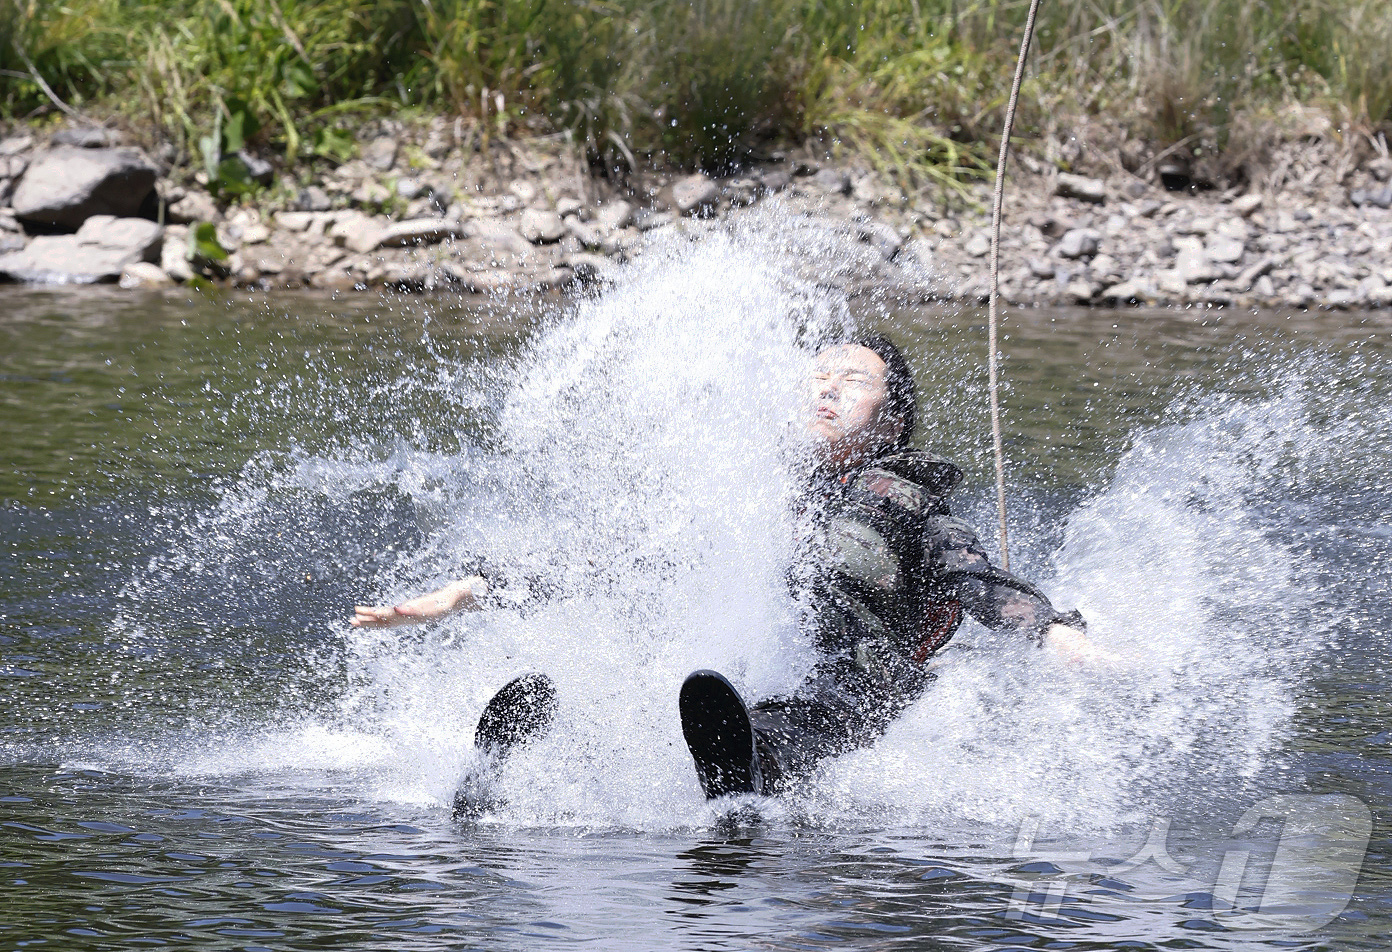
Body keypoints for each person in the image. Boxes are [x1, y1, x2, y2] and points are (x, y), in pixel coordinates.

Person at [352, 334, 1098, 797]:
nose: (828, 388)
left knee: (798, 705)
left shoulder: (911, 510)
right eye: (818, 375)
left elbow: (975, 578)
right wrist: (475, 588)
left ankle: (755, 761)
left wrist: (1054, 630)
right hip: (751, 680)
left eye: (855, 380)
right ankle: (534, 764)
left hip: (858, 690)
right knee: (666, 681)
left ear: (893, 420)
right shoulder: (750, 504)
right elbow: (623, 561)